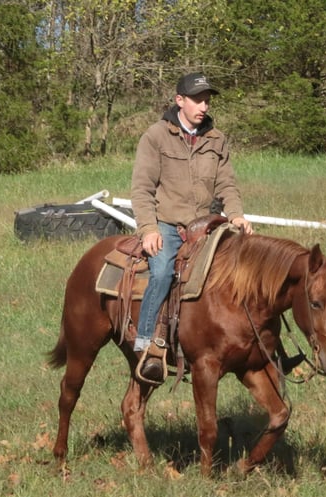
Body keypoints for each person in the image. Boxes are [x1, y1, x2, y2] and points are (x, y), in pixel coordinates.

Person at [130, 72, 253, 384]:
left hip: (207, 225)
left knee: (243, 269)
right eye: (197, 100)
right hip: (168, 224)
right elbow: (142, 188)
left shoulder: (216, 139)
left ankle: (252, 343)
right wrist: (148, 229)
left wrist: (236, 215)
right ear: (179, 100)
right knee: (161, 272)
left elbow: (226, 184)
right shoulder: (156, 136)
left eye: (207, 100)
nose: (204, 106)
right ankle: (146, 344)